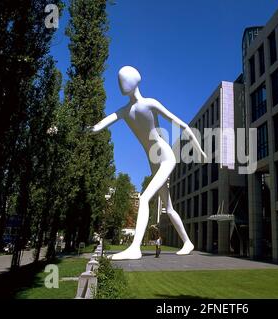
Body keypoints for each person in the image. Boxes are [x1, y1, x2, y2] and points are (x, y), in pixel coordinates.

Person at [88, 66, 207, 260]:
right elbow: (98, 127)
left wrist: (200, 151)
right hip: (153, 162)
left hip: (166, 158)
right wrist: (79, 128)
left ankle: (135, 248)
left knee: (144, 199)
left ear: (134, 81)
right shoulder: (125, 111)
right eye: (119, 81)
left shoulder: (149, 103)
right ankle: (188, 242)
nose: (121, 84)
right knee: (169, 208)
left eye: (123, 80)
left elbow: (181, 124)